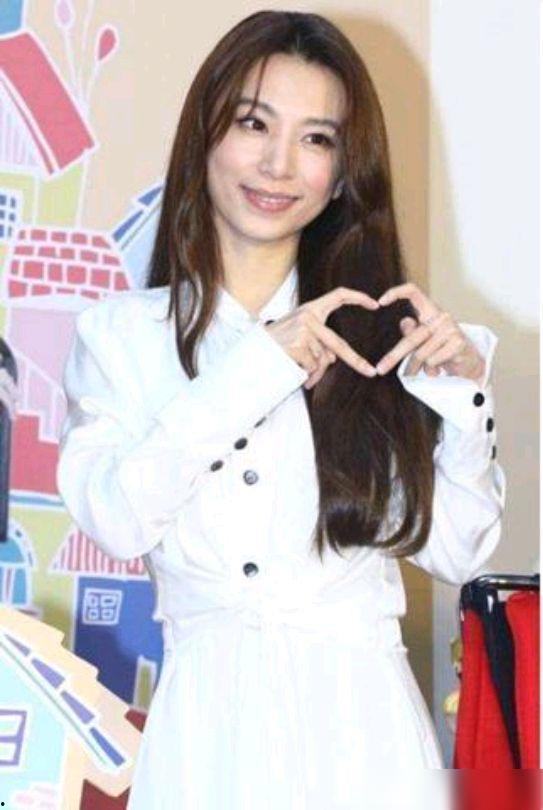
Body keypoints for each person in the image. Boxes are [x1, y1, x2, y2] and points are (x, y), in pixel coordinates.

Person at [56, 10, 506, 809]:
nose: (277, 164)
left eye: (315, 138)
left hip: (366, 740)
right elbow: (117, 517)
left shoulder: (381, 336)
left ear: (342, 171)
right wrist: (258, 366)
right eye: (253, 124)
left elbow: (457, 552)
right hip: (207, 739)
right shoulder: (121, 337)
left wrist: (461, 403)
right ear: (205, 136)